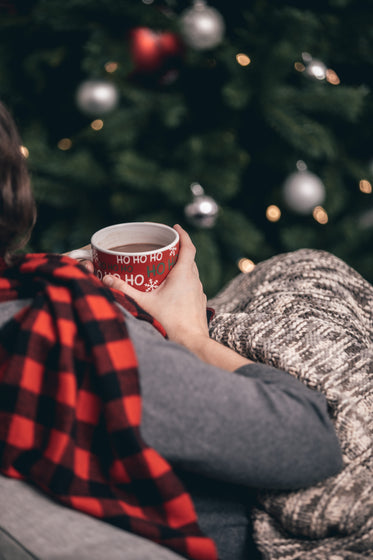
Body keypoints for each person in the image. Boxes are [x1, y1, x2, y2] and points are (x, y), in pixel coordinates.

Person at [0, 100, 343, 560]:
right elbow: (310, 442)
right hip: (254, 519)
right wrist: (190, 336)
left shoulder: (33, 293)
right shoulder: (67, 339)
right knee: (314, 272)